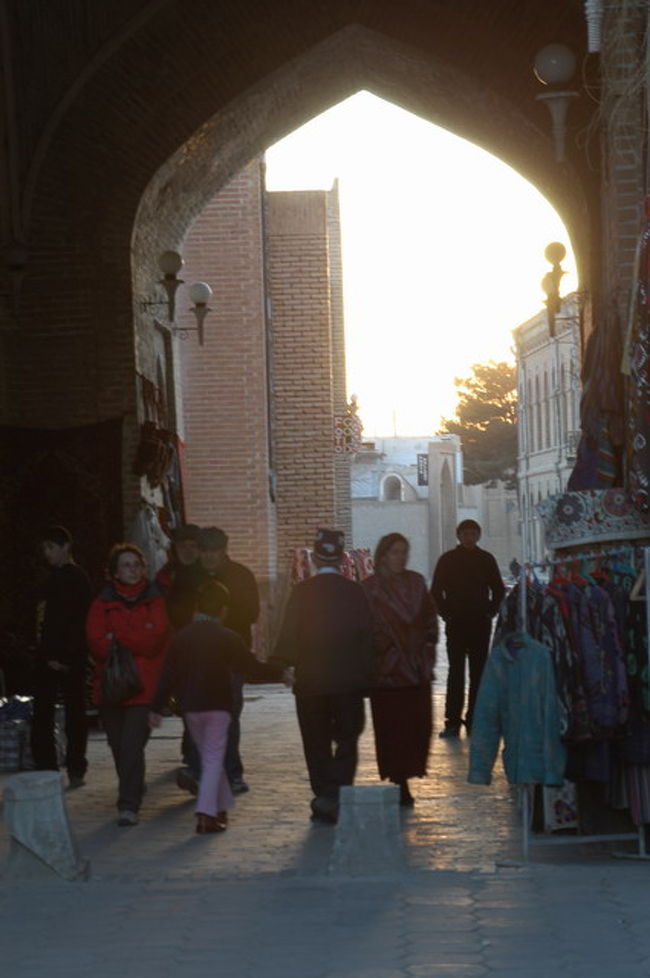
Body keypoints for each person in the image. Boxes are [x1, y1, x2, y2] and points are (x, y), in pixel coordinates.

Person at [149, 580, 291, 834]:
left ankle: (221, 805)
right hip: (218, 706)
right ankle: (206, 814)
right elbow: (251, 668)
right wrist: (281, 674)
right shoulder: (227, 637)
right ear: (223, 610)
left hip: (190, 707)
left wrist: (156, 707)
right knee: (214, 760)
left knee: (209, 757)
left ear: (197, 607)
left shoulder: (181, 637)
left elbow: (167, 675)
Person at [271, 528, 374, 824]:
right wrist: (367, 676)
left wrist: (285, 666)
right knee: (347, 738)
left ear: (315, 558)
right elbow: (368, 637)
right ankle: (338, 792)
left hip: (311, 683)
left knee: (315, 741)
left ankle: (323, 794)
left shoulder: (302, 592)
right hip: (347, 682)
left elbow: (289, 633)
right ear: (342, 559)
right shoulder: (356, 591)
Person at [86, 543, 170, 826]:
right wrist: (135, 635)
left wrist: (118, 637)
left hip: (144, 688)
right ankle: (133, 785)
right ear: (114, 572)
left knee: (132, 745)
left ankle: (128, 803)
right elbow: (97, 644)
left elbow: (155, 638)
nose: (133, 570)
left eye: (137, 564)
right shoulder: (102, 602)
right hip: (110, 688)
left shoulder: (155, 599)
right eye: (126, 565)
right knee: (117, 745)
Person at [362, 533, 438, 807]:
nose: (401, 557)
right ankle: (399, 780)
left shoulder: (416, 582)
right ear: (383, 555)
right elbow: (362, 628)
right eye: (395, 552)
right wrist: (380, 648)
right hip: (387, 674)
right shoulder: (369, 588)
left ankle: (410, 770)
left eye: (404, 551)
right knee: (393, 730)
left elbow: (430, 616)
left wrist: (426, 645)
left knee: (419, 726)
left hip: (416, 669)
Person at [197, 526, 260, 794]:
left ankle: (233, 772)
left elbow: (252, 613)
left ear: (224, 549)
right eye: (205, 551)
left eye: (214, 551)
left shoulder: (241, 576)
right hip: (198, 656)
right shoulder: (191, 576)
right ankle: (201, 769)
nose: (209, 557)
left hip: (232, 655)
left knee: (230, 714)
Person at [31, 525, 93, 789]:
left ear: (65, 547)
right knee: (66, 711)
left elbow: (73, 621)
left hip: (65, 656)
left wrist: (59, 655)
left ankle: (63, 766)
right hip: (58, 655)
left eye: (51, 548)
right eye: (45, 548)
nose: (47, 553)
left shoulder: (71, 579)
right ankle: (69, 766)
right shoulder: (60, 578)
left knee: (65, 712)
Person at [431, 519, 505, 738]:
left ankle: (475, 720)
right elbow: (436, 591)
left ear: (478, 536)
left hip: (480, 625)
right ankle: (452, 721)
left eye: (473, 533)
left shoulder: (486, 560)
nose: (469, 537)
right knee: (455, 673)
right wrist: (446, 614)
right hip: (456, 625)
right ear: (459, 535)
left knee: (479, 674)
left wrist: (490, 612)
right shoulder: (447, 560)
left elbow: (499, 590)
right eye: (465, 534)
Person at [156, 523, 203, 629]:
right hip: (174, 633)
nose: (188, 550)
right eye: (182, 546)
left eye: (193, 546)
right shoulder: (166, 573)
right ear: (176, 548)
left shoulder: (208, 571)